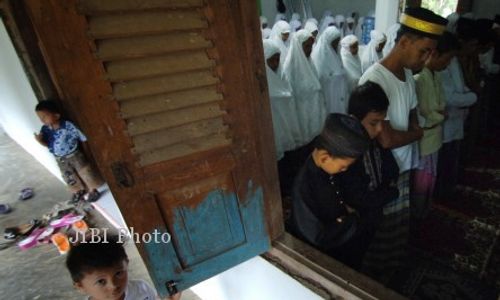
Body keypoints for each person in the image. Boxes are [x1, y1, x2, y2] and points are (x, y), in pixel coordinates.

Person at [358, 7, 447, 281]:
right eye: (424, 51)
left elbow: (410, 117)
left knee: (396, 231)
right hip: (383, 172)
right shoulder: (375, 79)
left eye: (431, 52)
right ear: (405, 42)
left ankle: (389, 277)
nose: (427, 58)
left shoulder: (407, 75)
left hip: (404, 164)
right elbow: (385, 139)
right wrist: (416, 135)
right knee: (380, 233)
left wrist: (409, 133)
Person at [289, 113, 371, 268]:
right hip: (321, 253)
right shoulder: (304, 187)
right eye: (342, 166)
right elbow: (318, 237)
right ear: (325, 158)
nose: (345, 170)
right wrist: (350, 221)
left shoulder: (324, 167)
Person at [337, 81, 400, 270]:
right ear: (354, 119)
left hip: (372, 213)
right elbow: (357, 196)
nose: (380, 129)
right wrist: (390, 193)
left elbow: (391, 168)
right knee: (349, 258)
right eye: (374, 123)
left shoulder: (373, 140)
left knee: (364, 249)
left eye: (383, 121)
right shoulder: (347, 151)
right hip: (355, 219)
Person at [413, 31, 460, 222]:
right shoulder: (420, 79)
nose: (448, 64)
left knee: (430, 180)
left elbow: (440, 106)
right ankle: (416, 218)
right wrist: (438, 115)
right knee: (421, 183)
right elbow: (425, 112)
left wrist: (438, 115)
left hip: (435, 137)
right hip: (425, 141)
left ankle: (424, 213)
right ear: (434, 54)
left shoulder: (435, 75)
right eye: (447, 59)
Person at [435, 19, 478, 201]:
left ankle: (447, 193)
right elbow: (450, 97)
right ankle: (442, 198)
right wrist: (473, 97)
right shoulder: (442, 66)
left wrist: (468, 94)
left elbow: (460, 87)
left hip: (454, 120)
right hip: (445, 124)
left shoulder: (452, 61)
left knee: (451, 162)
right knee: (444, 164)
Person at [66, 237, 181, 300]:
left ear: (126, 264)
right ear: (81, 286)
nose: (113, 285)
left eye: (118, 273)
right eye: (101, 281)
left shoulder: (141, 288)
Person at [35, 100, 102, 203]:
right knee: (69, 175)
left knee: (85, 172)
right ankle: (78, 191)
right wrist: (40, 141)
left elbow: (82, 138)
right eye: (40, 117)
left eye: (45, 116)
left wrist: (87, 153)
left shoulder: (67, 125)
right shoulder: (45, 130)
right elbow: (48, 145)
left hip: (74, 155)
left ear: (57, 115)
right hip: (60, 158)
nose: (42, 120)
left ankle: (93, 190)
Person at [282, 29, 327, 146]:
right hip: (301, 117)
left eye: (311, 46)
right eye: (306, 46)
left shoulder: (309, 63)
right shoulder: (289, 68)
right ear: (298, 46)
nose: (310, 49)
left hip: (313, 115)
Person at [263, 39, 301, 160]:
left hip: (287, 126)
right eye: (271, 60)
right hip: (273, 130)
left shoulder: (282, 75)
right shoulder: (262, 81)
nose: (275, 64)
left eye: (277, 59)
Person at [311, 26, 349, 114]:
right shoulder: (319, 57)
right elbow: (320, 78)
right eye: (334, 42)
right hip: (328, 98)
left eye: (337, 42)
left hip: (340, 97)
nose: (336, 45)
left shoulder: (337, 54)